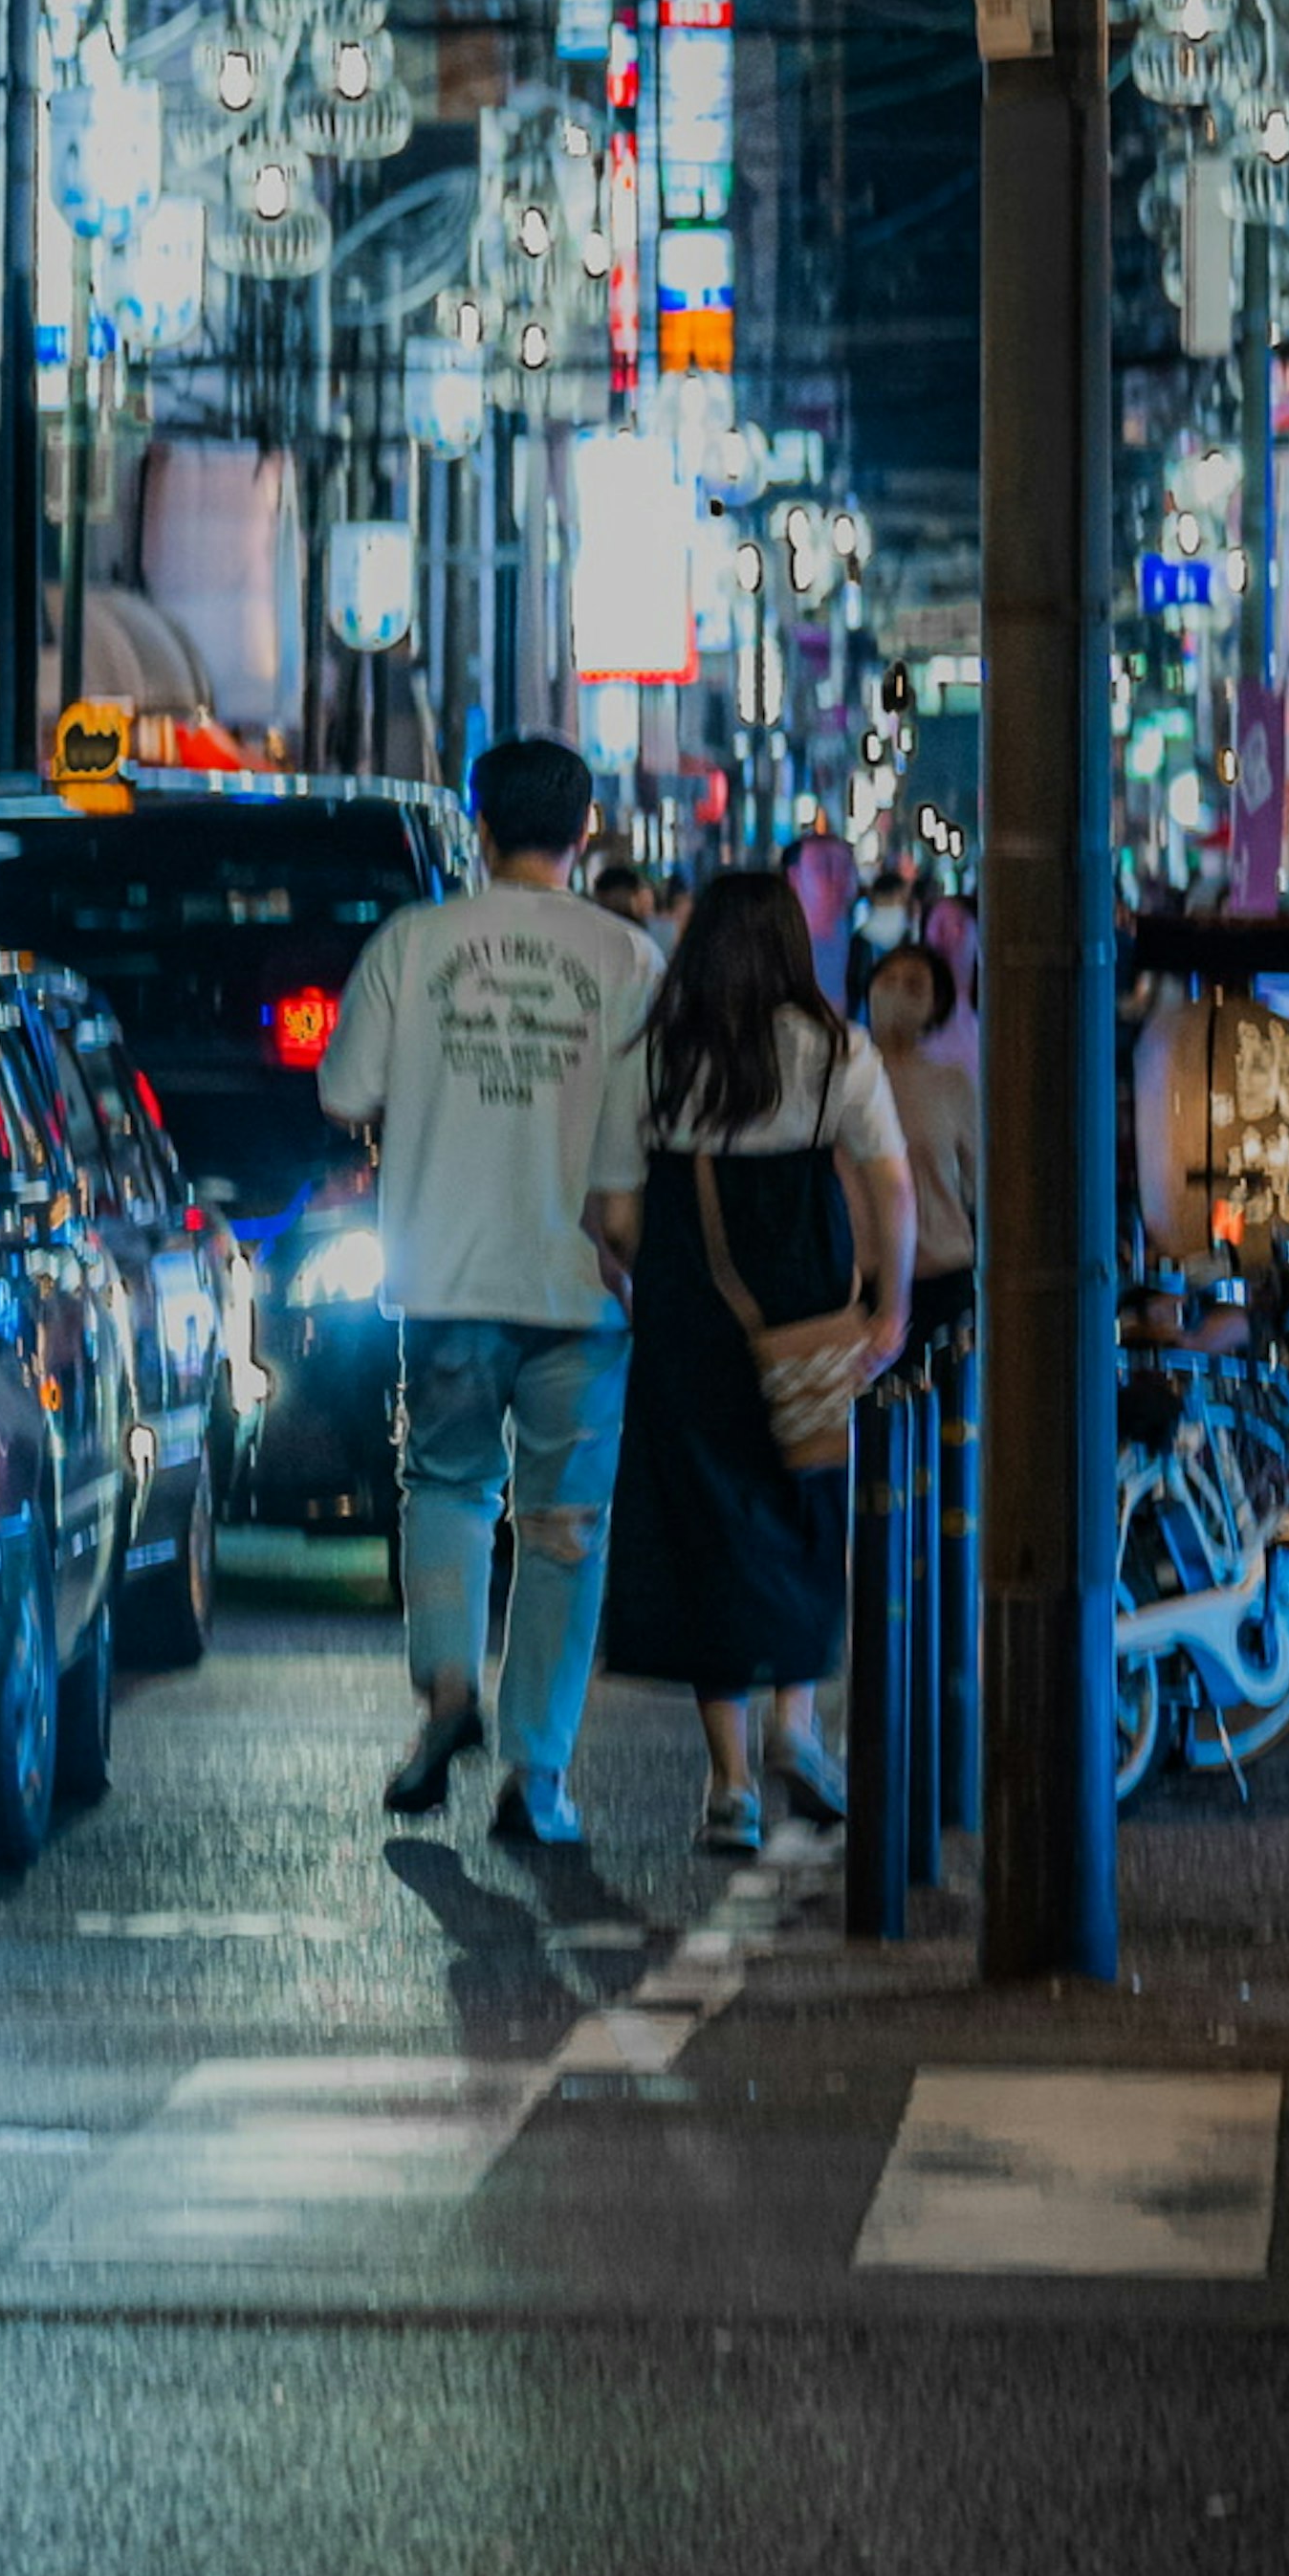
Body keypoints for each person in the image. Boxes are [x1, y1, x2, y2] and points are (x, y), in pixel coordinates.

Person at [318, 734, 661, 1857]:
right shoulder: (625, 959)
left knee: (451, 1487)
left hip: (447, 1269)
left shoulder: (416, 944)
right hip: (581, 1279)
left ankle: (447, 1690)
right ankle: (538, 1773)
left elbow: (346, 1086)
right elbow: (648, 1129)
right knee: (565, 1530)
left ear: (477, 820)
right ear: (587, 825)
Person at [597, 866, 920, 1852]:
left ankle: (728, 1783)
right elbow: (893, 1192)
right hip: (808, 1310)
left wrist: (637, 1288)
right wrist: (889, 1306)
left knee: (707, 1532)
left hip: (691, 1312)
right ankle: (796, 1724)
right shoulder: (837, 1052)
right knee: (807, 1512)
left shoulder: (649, 1058)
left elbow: (613, 1215)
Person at [867, 936, 980, 1353]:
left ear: (936, 1005)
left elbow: (978, 1183)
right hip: (866, 1279)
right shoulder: (844, 1077)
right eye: (887, 981)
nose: (896, 994)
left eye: (913, 986)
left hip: (941, 1273)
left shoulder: (950, 1082)